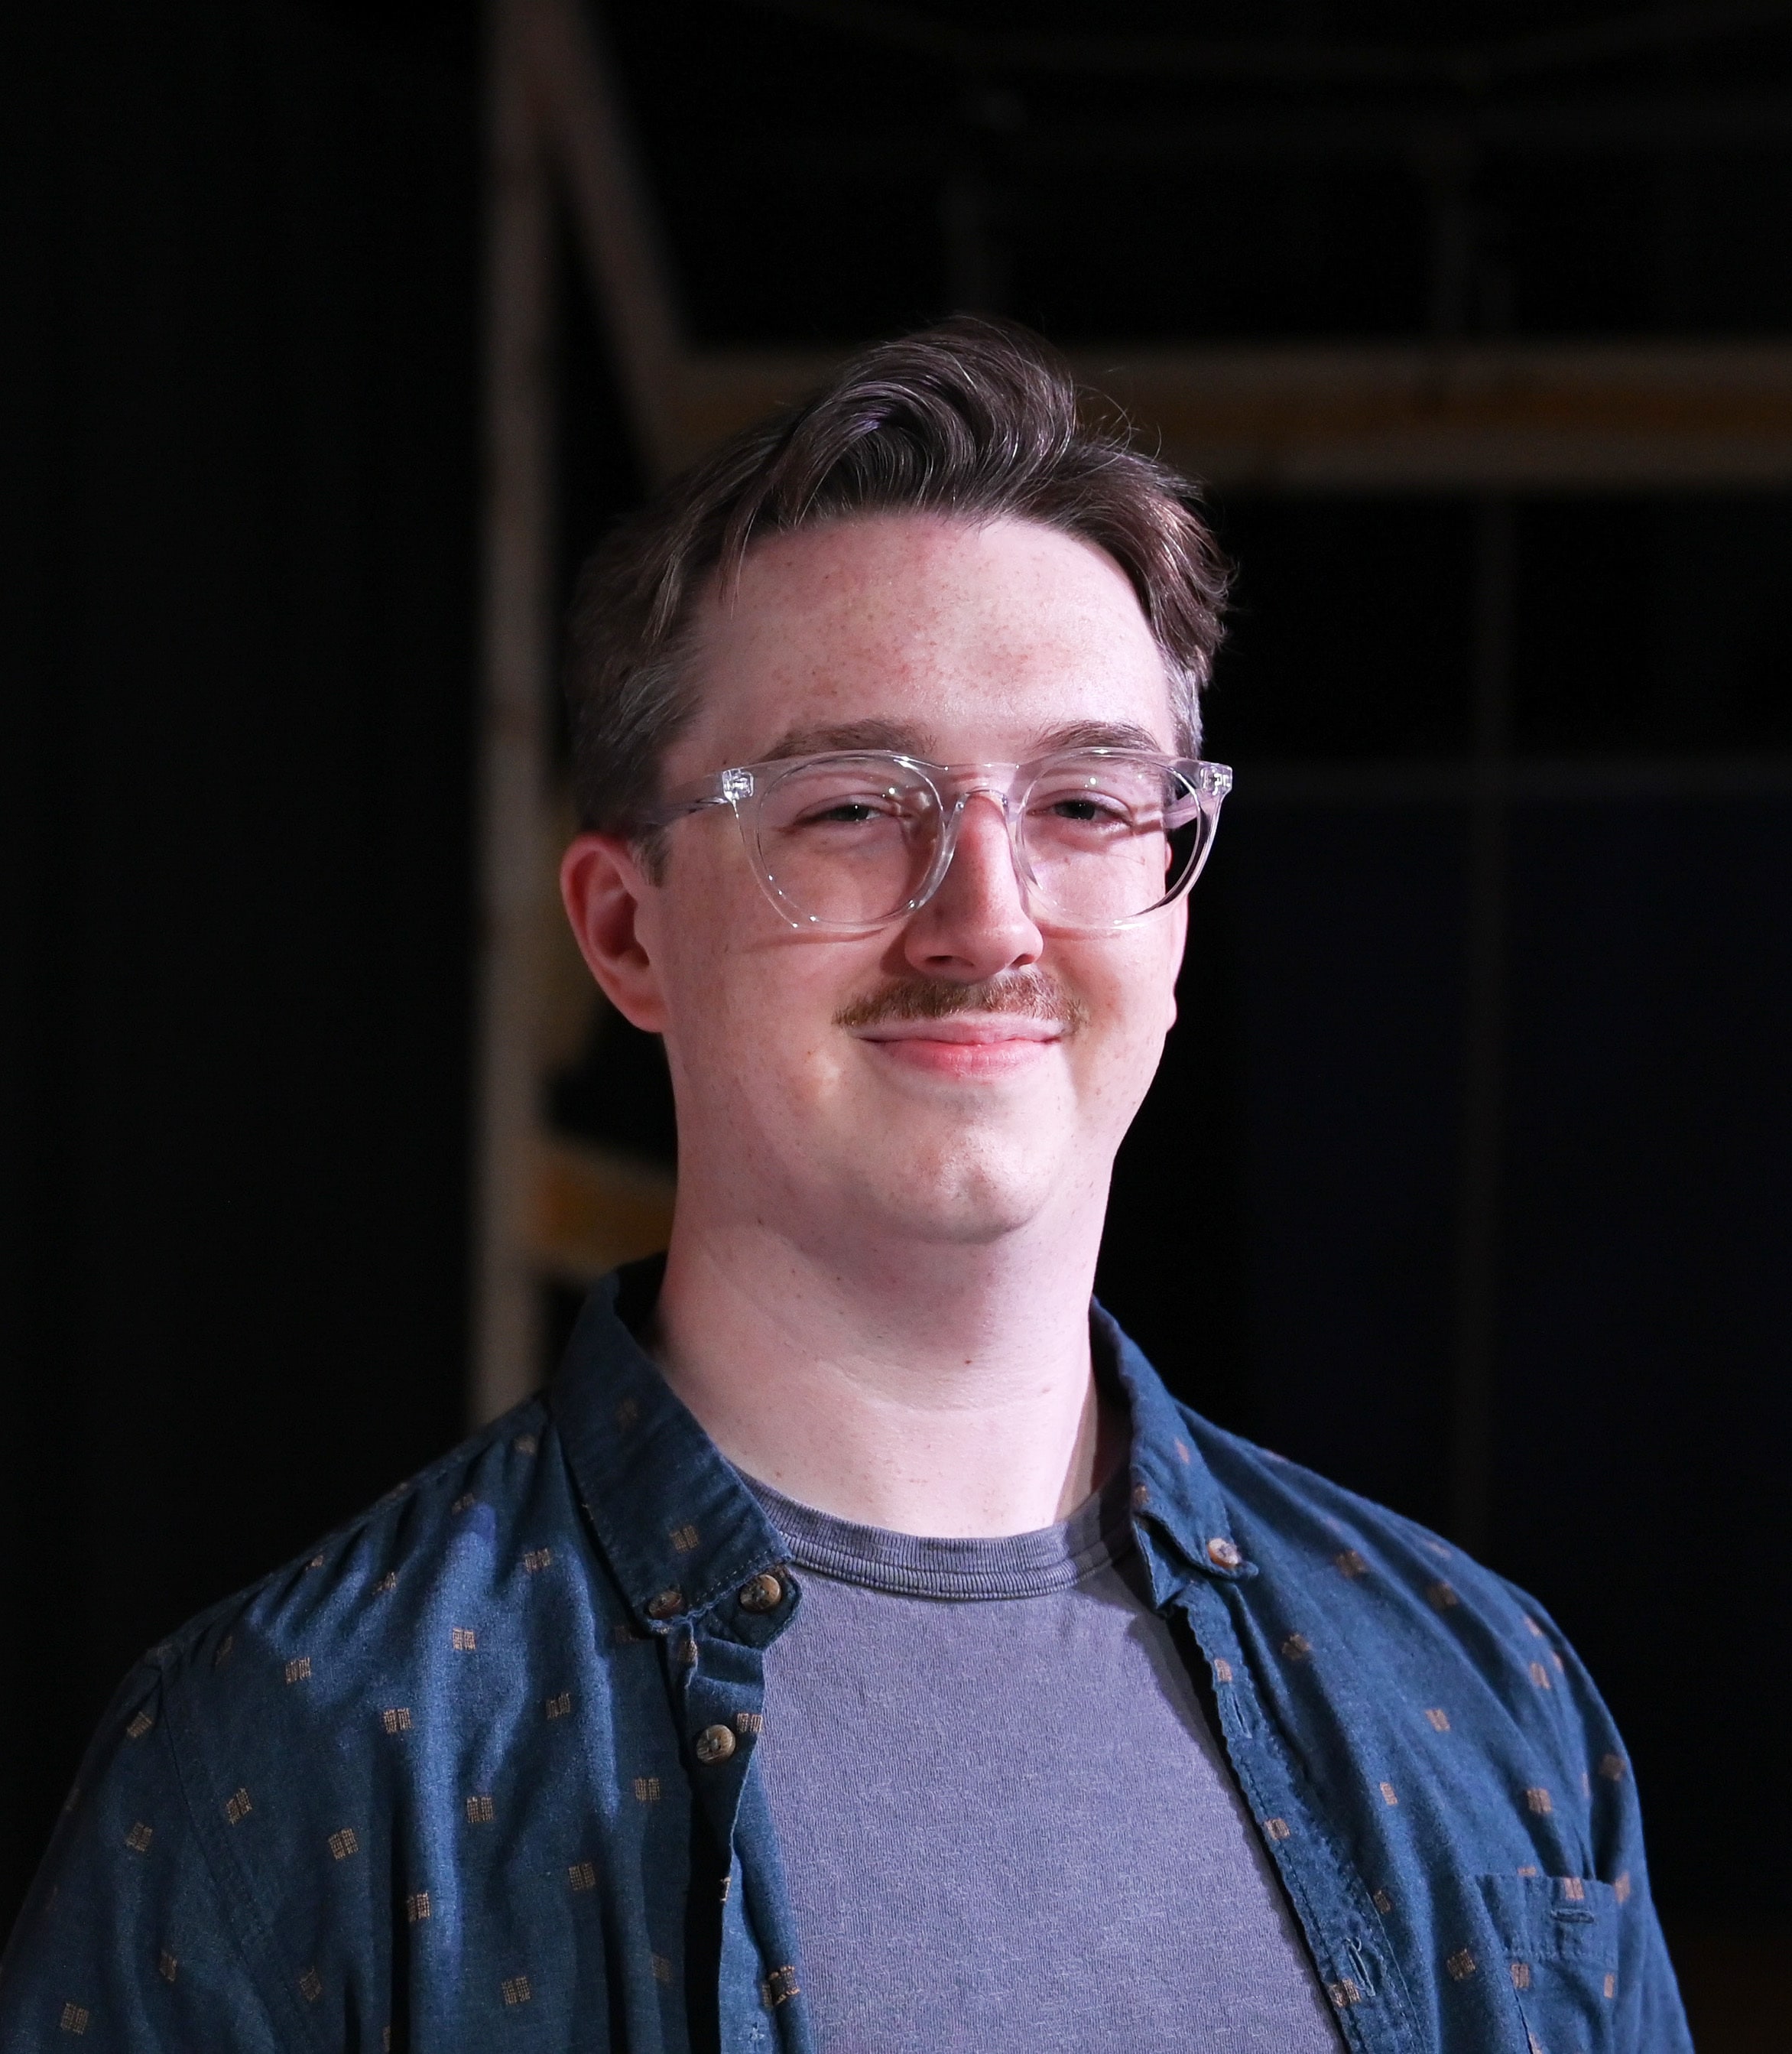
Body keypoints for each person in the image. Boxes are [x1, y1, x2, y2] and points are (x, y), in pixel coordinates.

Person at [0, 320, 1690, 2053]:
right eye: (850, 808)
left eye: (1085, 802)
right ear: (624, 930)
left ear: (1175, 907)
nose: (985, 916)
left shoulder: (1483, 1705)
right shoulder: (292, 1769)